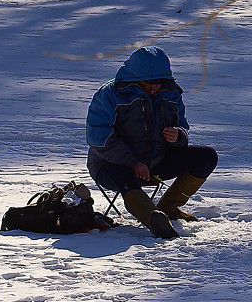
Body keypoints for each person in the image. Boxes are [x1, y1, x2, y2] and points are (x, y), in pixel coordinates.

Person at [86, 46, 218, 239]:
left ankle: (168, 208)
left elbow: (182, 126)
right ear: (135, 78)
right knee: (124, 174)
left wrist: (178, 136)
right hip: (111, 165)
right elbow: (99, 138)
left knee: (207, 157)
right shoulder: (109, 94)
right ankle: (153, 218)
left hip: (154, 163)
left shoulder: (171, 94)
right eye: (149, 82)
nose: (155, 86)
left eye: (159, 82)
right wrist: (133, 162)